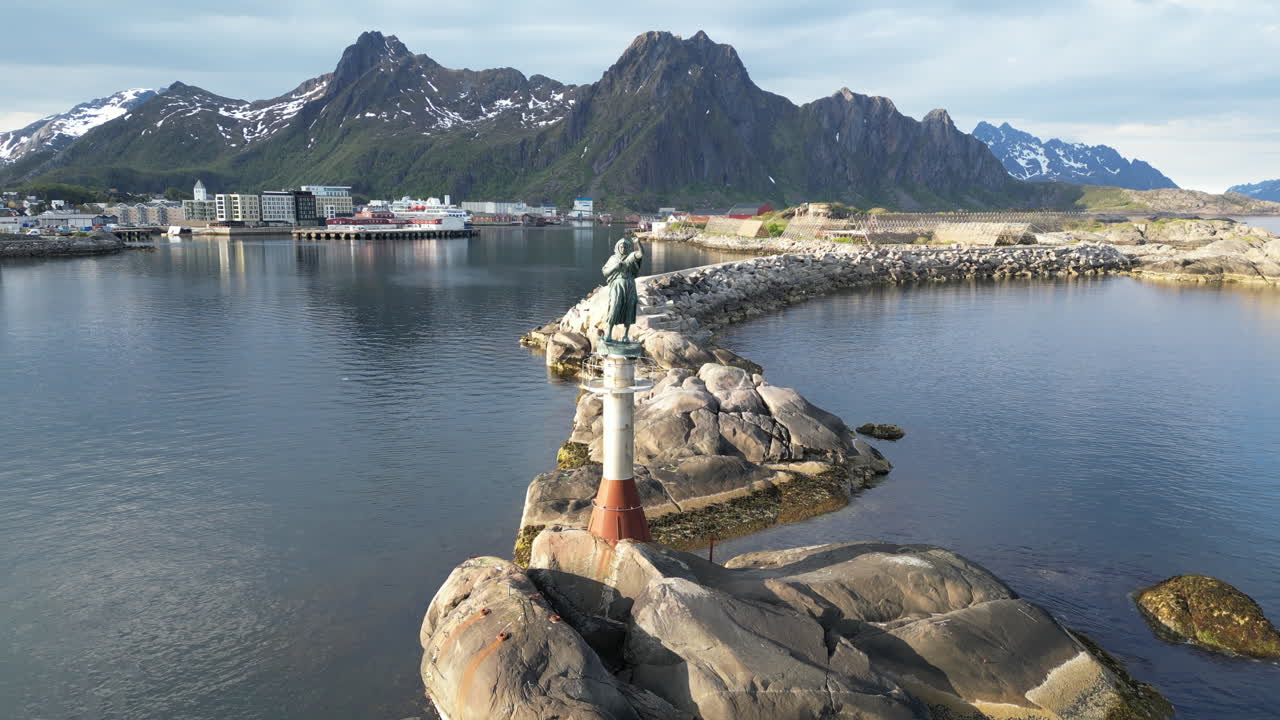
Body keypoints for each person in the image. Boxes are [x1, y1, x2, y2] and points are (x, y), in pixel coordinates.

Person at [602, 237, 644, 342]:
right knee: (614, 307)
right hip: (617, 285)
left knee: (629, 308)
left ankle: (625, 335)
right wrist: (615, 267)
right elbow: (605, 272)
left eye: (625, 246)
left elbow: (641, 253)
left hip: (630, 284)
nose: (623, 248)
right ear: (617, 247)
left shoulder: (631, 256)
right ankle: (609, 334)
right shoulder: (613, 258)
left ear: (629, 247)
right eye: (621, 246)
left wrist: (638, 243)